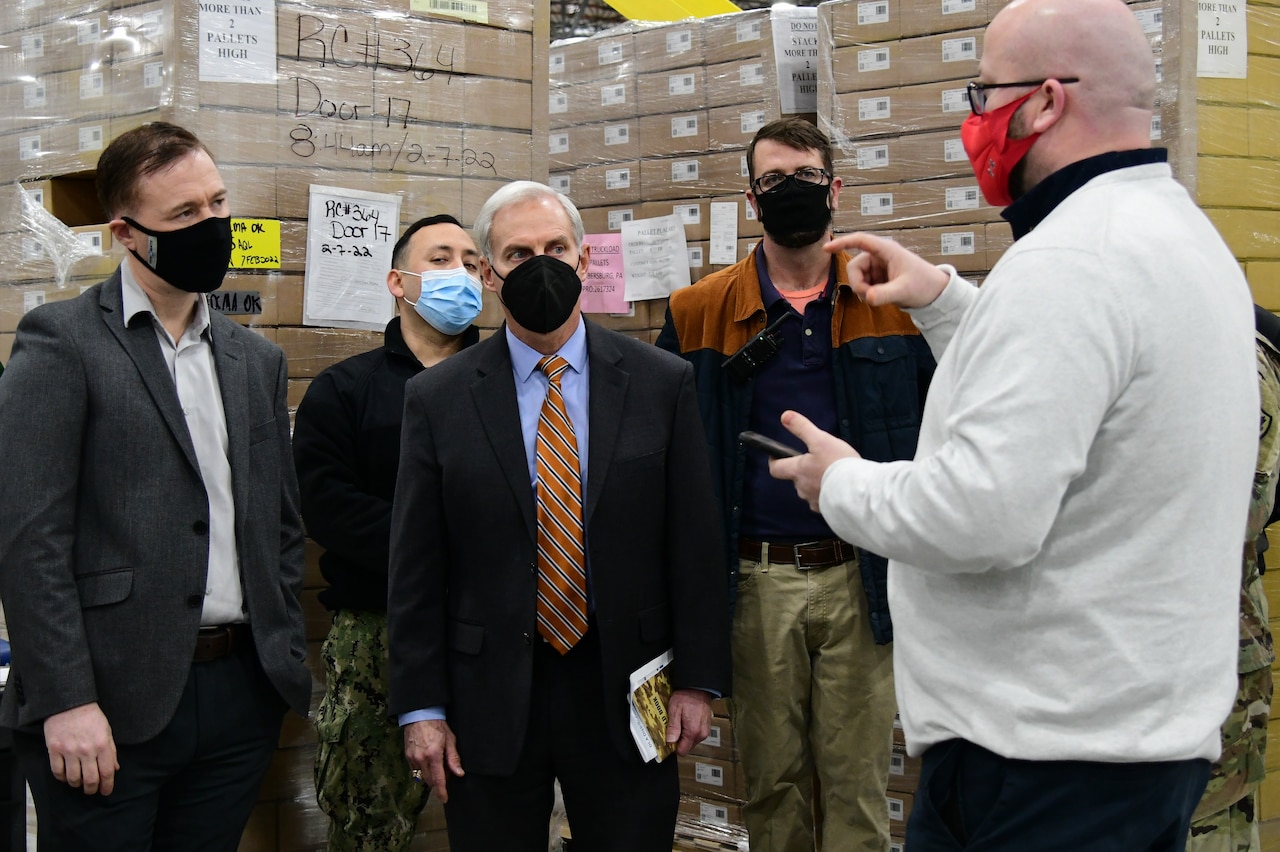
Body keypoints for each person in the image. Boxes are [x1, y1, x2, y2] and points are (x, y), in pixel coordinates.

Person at [769, 0, 1258, 848]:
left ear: (1044, 103)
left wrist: (839, 484)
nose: (973, 120)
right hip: (1132, 747)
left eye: (981, 93)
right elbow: (1090, 394)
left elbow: (979, 516)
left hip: (1038, 768)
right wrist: (952, 303)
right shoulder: (1175, 236)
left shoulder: (1068, 264)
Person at [386, 180, 731, 851]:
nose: (540, 264)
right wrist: (421, 708)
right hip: (487, 688)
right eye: (518, 253)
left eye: (555, 247)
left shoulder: (660, 382)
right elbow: (417, 567)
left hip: (627, 683)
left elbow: (693, 543)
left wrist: (698, 679)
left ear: (583, 260)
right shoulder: (437, 399)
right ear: (488, 274)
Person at [0, 122, 311, 850]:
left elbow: (279, 525)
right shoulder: (61, 342)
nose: (212, 226)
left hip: (239, 695)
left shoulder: (253, 360)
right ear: (125, 233)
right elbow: (28, 537)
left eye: (216, 204)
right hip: (107, 700)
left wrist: (281, 659)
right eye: (184, 215)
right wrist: (66, 698)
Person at [656, 117, 933, 852]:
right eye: (773, 181)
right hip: (756, 582)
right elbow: (663, 459)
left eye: (806, 178)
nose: (790, 193)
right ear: (752, 199)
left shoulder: (896, 303)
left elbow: (947, 433)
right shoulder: (696, 313)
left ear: (835, 189)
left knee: (859, 789)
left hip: (861, 574)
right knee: (772, 792)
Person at [293, 215, 483, 851]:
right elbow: (328, 506)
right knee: (368, 815)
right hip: (378, 631)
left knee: (498, 804)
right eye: (440, 258)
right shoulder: (345, 391)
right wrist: (438, 548)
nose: (460, 271)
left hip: (493, 628)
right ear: (398, 282)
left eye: (471, 260)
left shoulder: (516, 382)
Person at [1186, 306, 1280, 851]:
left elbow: (1241, 512)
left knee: (1209, 827)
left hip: (1213, 644)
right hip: (1157, 653)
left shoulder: (1236, 355)